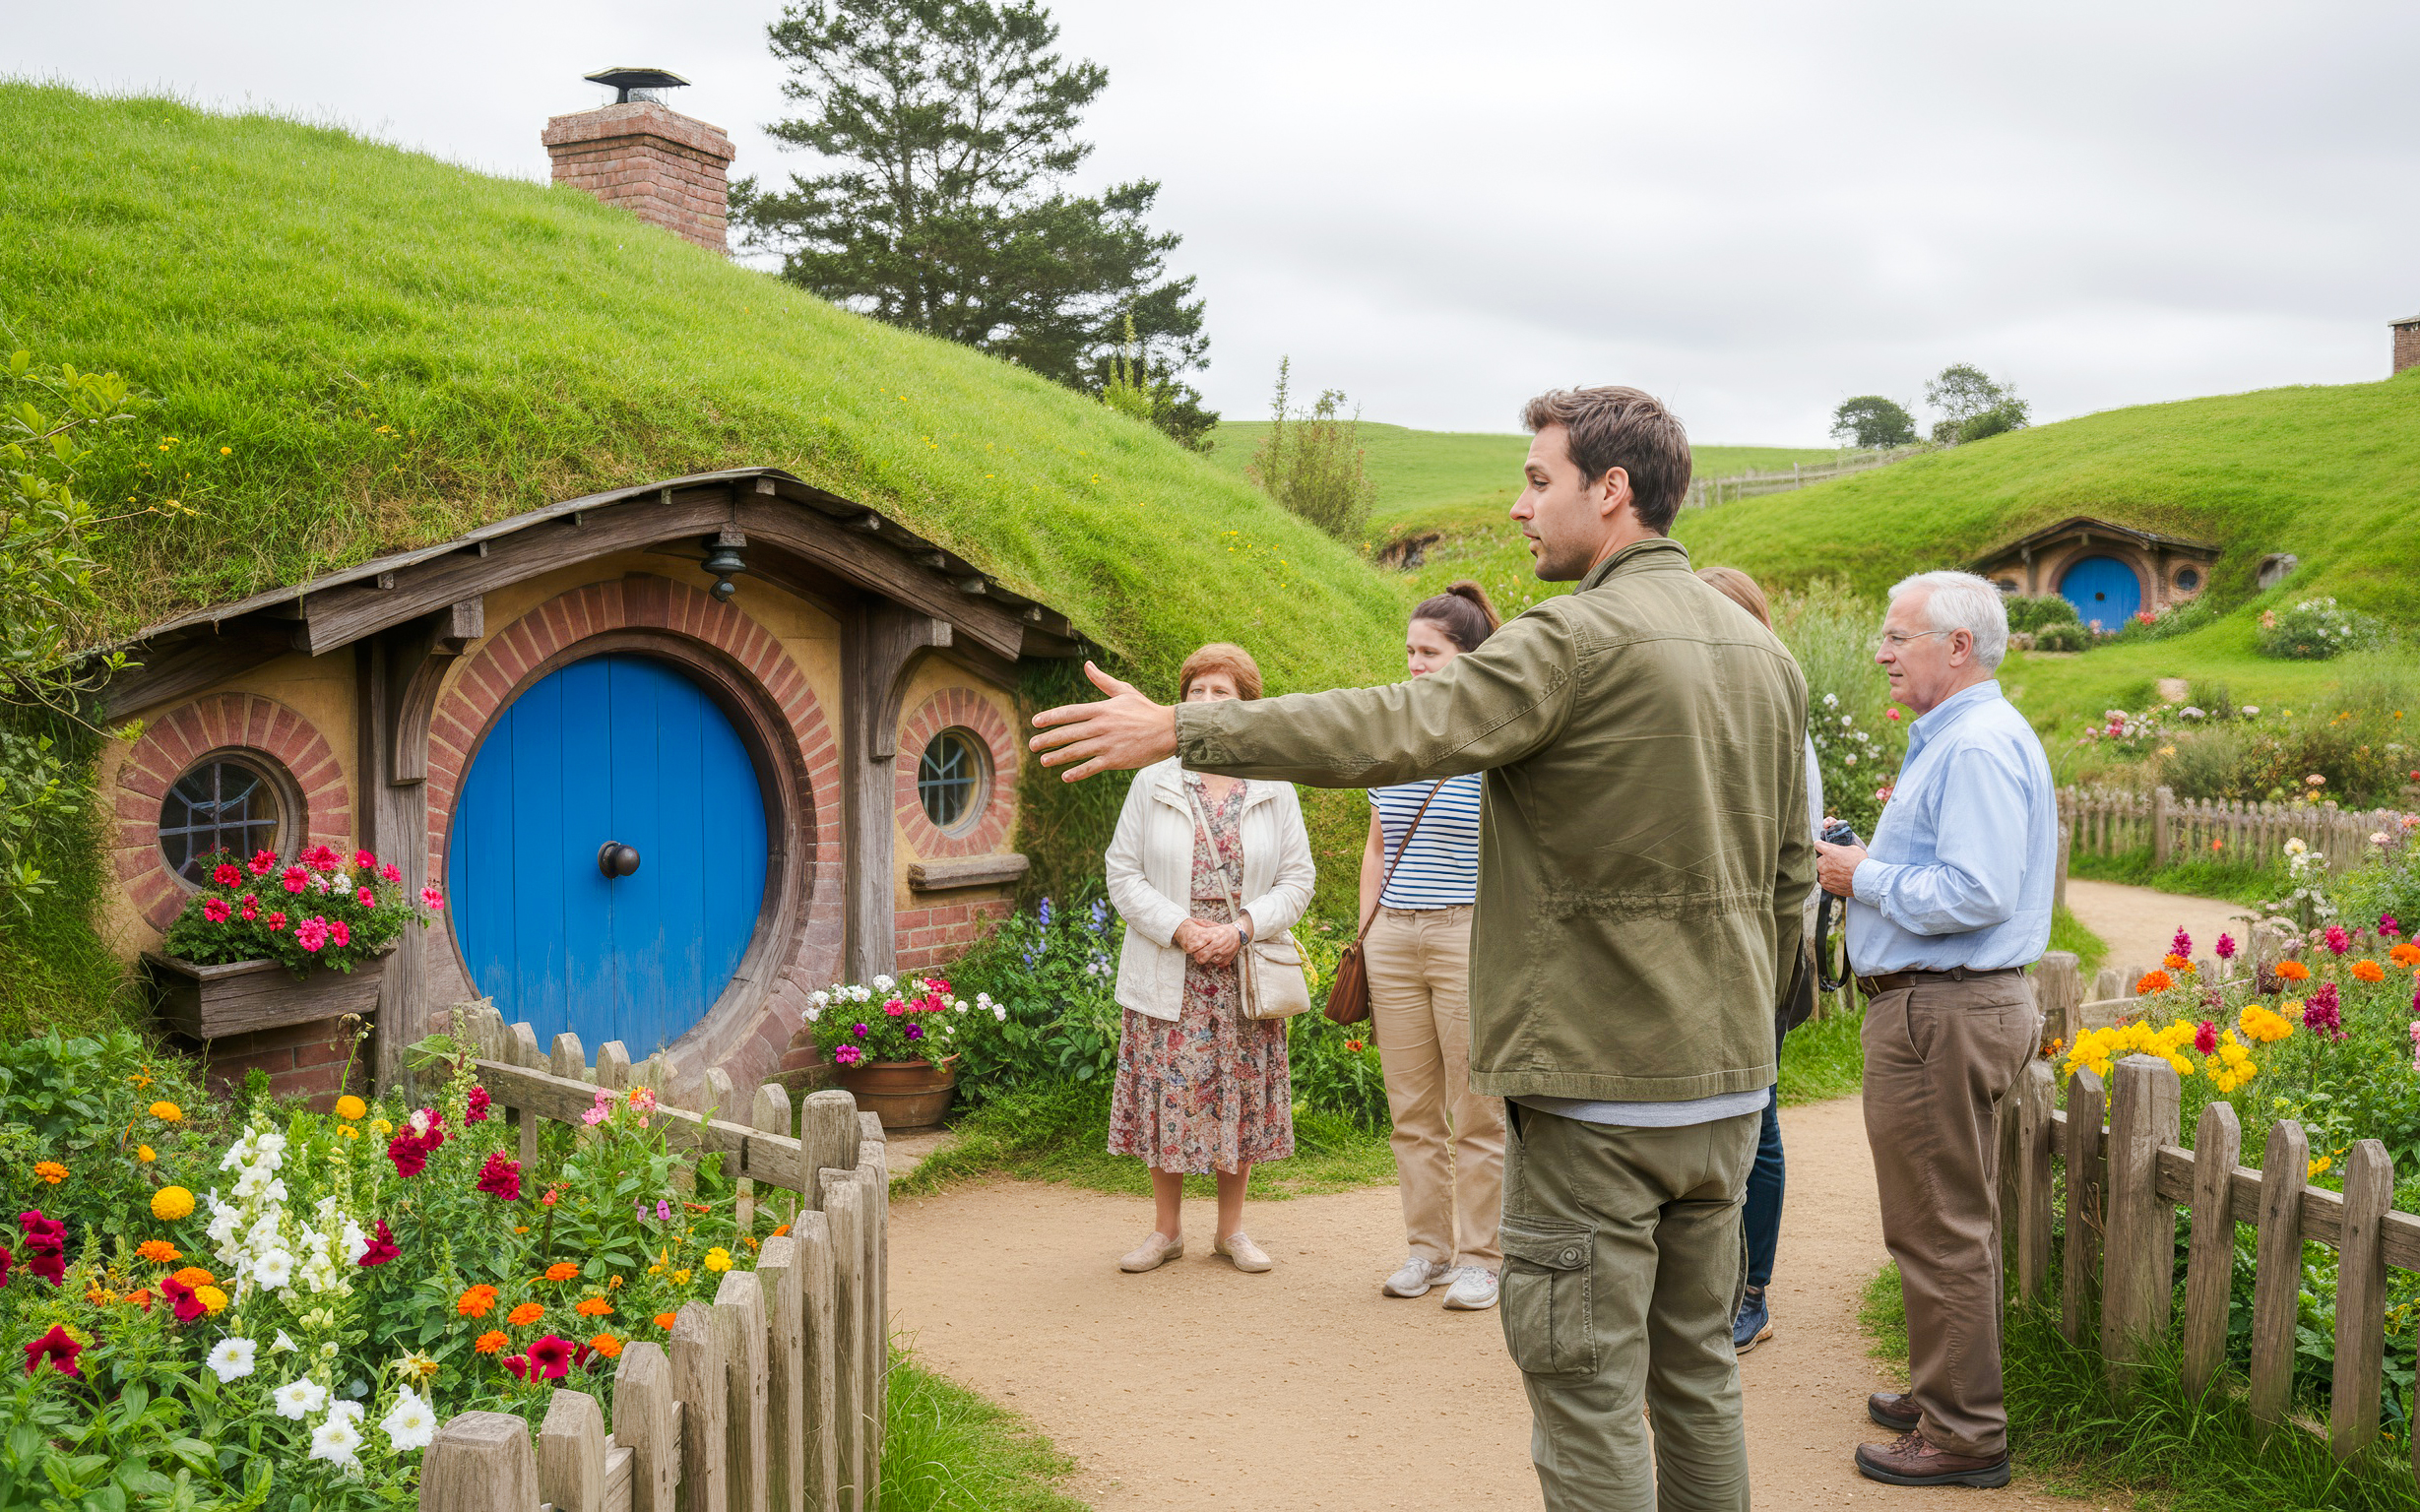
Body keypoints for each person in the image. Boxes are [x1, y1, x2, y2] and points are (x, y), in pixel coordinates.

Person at [1033, 386, 1814, 1512]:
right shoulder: (1761, 654)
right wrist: (1750, 1029)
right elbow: (1793, 876)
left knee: (1586, 1384)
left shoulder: (1572, 640)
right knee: (1695, 1373)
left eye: (1538, 481)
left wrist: (1186, 728)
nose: (1517, 506)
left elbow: (1394, 727)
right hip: (1727, 1090)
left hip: (1597, 1100)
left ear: (1612, 490)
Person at [1813, 570, 2054, 1491]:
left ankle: (1963, 1434)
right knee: (1944, 1214)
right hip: (1946, 1004)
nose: (1880, 651)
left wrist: (1860, 878)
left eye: (1896, 634)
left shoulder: (1977, 746)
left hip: (1940, 1007)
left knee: (1938, 1224)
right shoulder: (1967, 737)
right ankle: (1947, 1390)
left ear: (1957, 646)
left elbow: (1976, 891)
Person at [1103, 642, 1315, 1276]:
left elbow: (1298, 880)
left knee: (1238, 1097)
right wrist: (1180, 928)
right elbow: (1123, 873)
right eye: (1195, 692)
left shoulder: (1274, 787)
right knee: (1168, 1094)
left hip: (1241, 970)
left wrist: (1243, 929)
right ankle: (1165, 1232)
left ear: (1248, 706)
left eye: (1221, 693)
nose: (1205, 702)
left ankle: (1232, 1232)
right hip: (1172, 963)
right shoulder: (1154, 781)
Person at [1362, 581, 1507, 1312]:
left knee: (1477, 1109)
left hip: (1467, 931)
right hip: (1396, 936)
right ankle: (1427, 1251)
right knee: (1411, 1109)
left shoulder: (1496, 743)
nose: (1414, 665)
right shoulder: (1399, 733)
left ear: (1468, 657)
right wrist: (1370, 929)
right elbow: (1379, 841)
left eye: (1429, 652)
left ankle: (1485, 1257)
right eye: (1409, 651)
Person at [1694, 565, 1827, 1356]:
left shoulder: (1780, 714)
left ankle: (1753, 1290)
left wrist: (1778, 962)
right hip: (1710, 952)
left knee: (1758, 1118)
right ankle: (1711, 1282)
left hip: (1761, 951)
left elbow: (1791, 861)